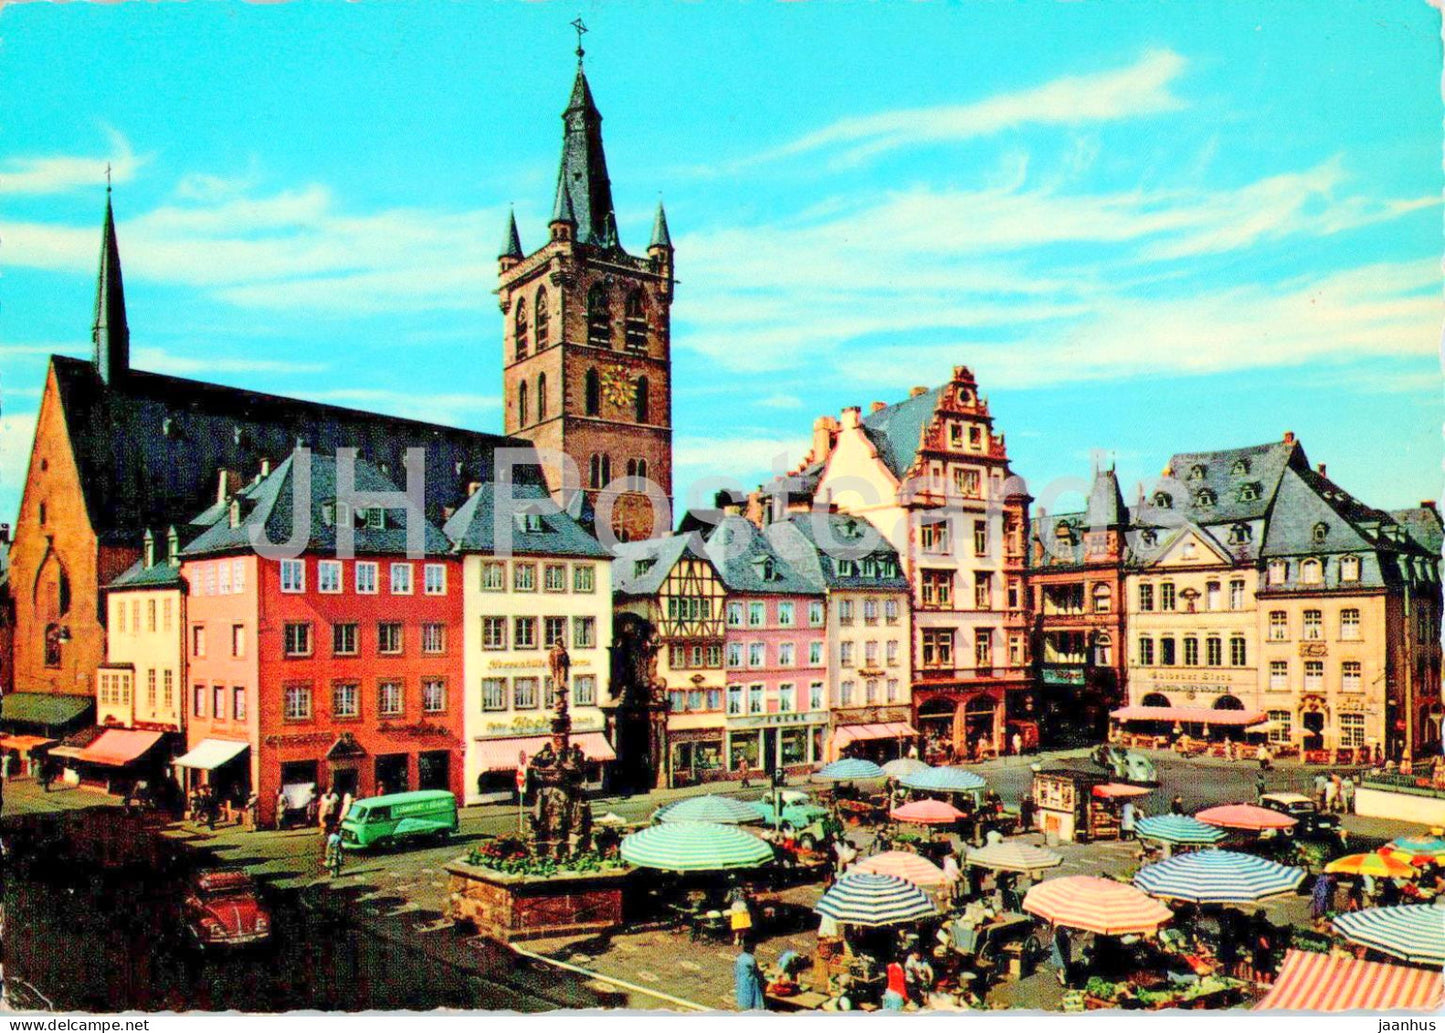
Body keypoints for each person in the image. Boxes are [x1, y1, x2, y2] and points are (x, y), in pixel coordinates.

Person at [733, 938, 765, 1011]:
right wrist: (762, 973)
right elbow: (756, 971)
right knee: (752, 998)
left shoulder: (740, 957)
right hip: (749, 982)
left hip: (741, 981)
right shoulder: (751, 959)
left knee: (742, 998)